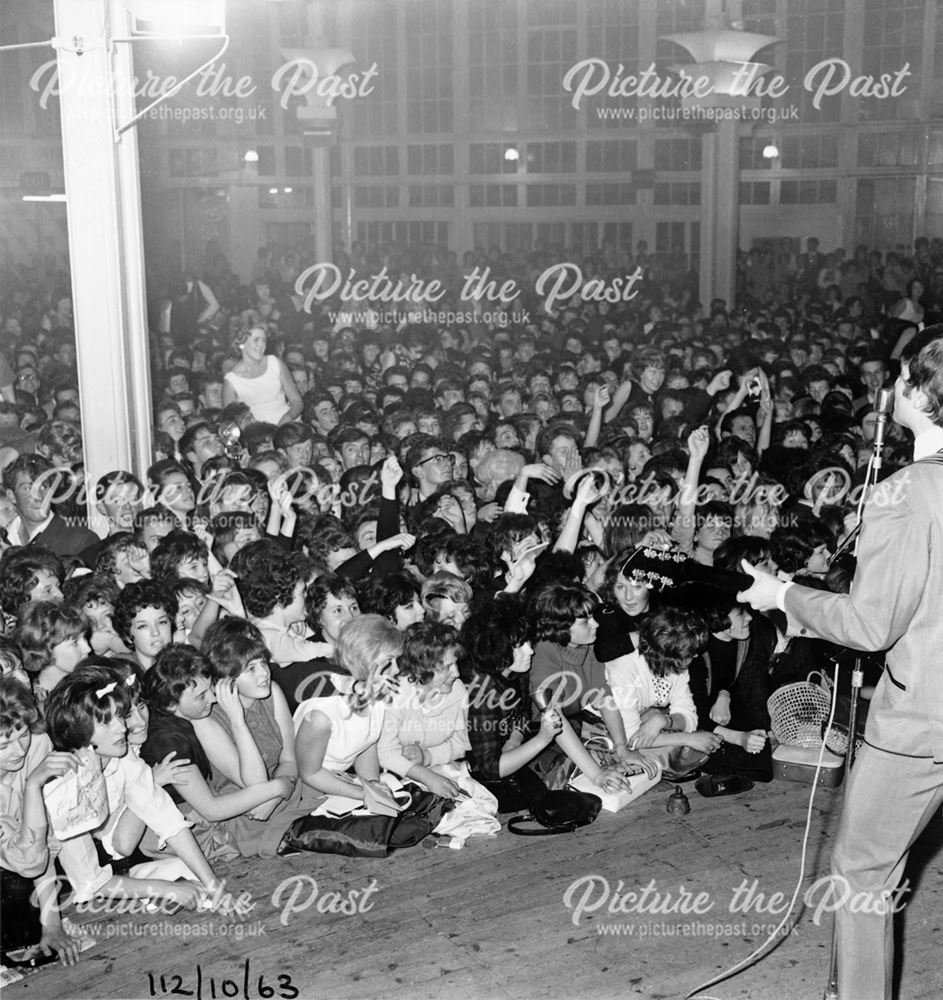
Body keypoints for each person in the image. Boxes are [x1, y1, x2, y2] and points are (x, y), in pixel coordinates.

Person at [738, 325, 943, 1000]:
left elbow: (867, 626)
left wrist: (785, 595)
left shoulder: (906, 492)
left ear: (914, 391)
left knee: (861, 877)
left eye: (899, 379)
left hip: (920, 724)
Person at [222, 326, 302, 425]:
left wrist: (287, 418)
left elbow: (297, 401)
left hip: (288, 426)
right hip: (258, 434)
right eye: (256, 340)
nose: (261, 345)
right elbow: (231, 421)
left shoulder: (275, 363)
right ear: (242, 344)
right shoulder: (232, 380)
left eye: (264, 341)